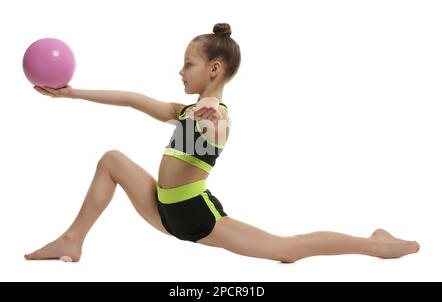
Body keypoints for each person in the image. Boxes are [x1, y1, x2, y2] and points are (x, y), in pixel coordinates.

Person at [25, 23, 419, 263]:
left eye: (188, 64)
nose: (180, 70)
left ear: (214, 68)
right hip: (166, 211)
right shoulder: (184, 111)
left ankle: (376, 245)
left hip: (198, 218)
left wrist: (213, 119)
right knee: (112, 159)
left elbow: (217, 128)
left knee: (288, 250)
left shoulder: (215, 115)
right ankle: (73, 239)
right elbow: (132, 99)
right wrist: (73, 94)